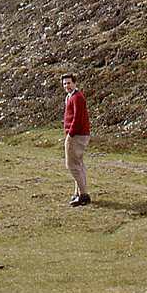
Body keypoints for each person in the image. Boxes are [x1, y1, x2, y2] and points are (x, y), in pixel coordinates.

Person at [62, 73, 91, 206]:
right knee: (78, 164)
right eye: (64, 84)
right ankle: (78, 192)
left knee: (72, 165)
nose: (67, 86)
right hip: (78, 134)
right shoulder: (70, 97)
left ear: (74, 83)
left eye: (69, 83)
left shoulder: (77, 97)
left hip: (76, 135)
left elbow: (77, 119)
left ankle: (83, 195)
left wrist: (70, 134)